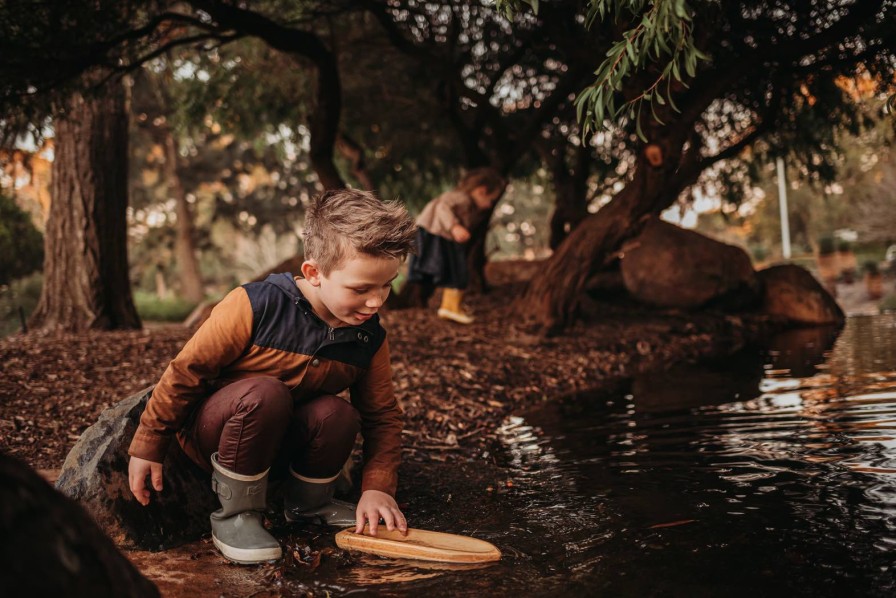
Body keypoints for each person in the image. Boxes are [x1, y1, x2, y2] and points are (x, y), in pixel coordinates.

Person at [127, 189, 417, 565]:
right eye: (360, 289)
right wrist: (149, 443)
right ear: (314, 273)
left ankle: (307, 504)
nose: (376, 301)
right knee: (267, 393)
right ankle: (236, 515)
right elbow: (188, 371)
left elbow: (381, 416)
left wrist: (377, 489)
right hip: (219, 436)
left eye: (386, 285)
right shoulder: (255, 305)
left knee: (337, 413)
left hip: (280, 447)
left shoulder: (368, 337)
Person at [407, 167, 506, 324]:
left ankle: (451, 306)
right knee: (455, 269)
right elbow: (441, 207)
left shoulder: (465, 201)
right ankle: (450, 307)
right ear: (482, 191)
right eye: (491, 200)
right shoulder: (462, 198)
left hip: (439, 235)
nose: (489, 206)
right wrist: (454, 226)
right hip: (436, 235)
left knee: (456, 270)